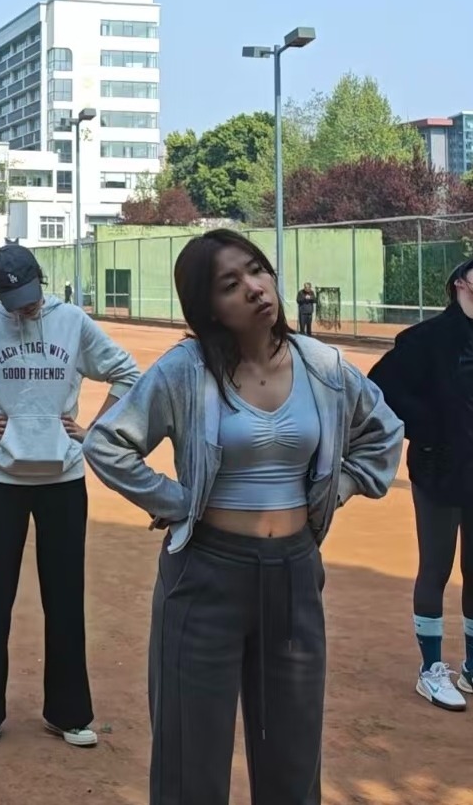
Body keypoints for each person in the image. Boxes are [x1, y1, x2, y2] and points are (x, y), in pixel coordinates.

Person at [82, 229, 403, 805]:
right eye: (231, 284)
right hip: (205, 576)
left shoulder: (322, 365)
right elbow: (107, 443)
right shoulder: (186, 370)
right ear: (208, 308)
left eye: (257, 270)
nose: (255, 288)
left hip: (294, 575)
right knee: (190, 763)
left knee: (293, 762)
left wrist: (341, 487)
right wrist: (177, 502)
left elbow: (383, 432)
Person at [0, 243, 141, 752]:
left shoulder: (72, 322)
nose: (26, 308)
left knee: (66, 599)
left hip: (64, 480)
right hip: (1, 481)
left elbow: (128, 372)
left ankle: (69, 713)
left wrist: (93, 430)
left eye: (32, 297)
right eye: (15, 301)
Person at [367, 256, 473, 711]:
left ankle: (471, 667)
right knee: (436, 568)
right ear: (461, 283)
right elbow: (380, 388)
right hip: (438, 469)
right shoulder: (425, 339)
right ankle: (431, 669)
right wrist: (428, 429)